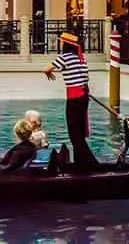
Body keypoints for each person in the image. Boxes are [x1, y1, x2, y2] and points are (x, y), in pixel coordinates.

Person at [43, 32, 98, 172]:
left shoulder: (64, 57)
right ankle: (81, 163)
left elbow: (46, 69)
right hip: (84, 96)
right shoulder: (81, 58)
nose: (60, 44)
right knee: (79, 131)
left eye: (62, 42)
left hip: (74, 98)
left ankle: (89, 164)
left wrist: (49, 73)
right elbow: (86, 79)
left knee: (74, 134)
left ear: (66, 44)